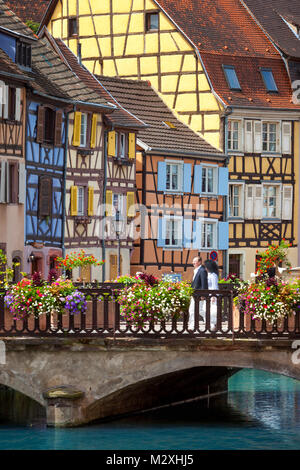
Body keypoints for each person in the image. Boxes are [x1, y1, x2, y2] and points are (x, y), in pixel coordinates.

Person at [188, 256, 208, 330]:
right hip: (195, 294)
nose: (193, 263)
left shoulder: (202, 270)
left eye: (195, 261)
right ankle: (192, 325)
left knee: (200, 310)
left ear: (199, 262)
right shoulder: (196, 270)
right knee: (193, 310)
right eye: (193, 261)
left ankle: (210, 322)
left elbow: (204, 283)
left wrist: (203, 294)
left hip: (199, 294)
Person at [204, 259, 219, 330]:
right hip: (208, 295)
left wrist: (213, 295)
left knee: (212, 311)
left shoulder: (213, 275)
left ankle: (213, 324)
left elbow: (214, 286)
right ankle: (209, 324)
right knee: (205, 309)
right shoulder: (209, 275)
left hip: (212, 296)